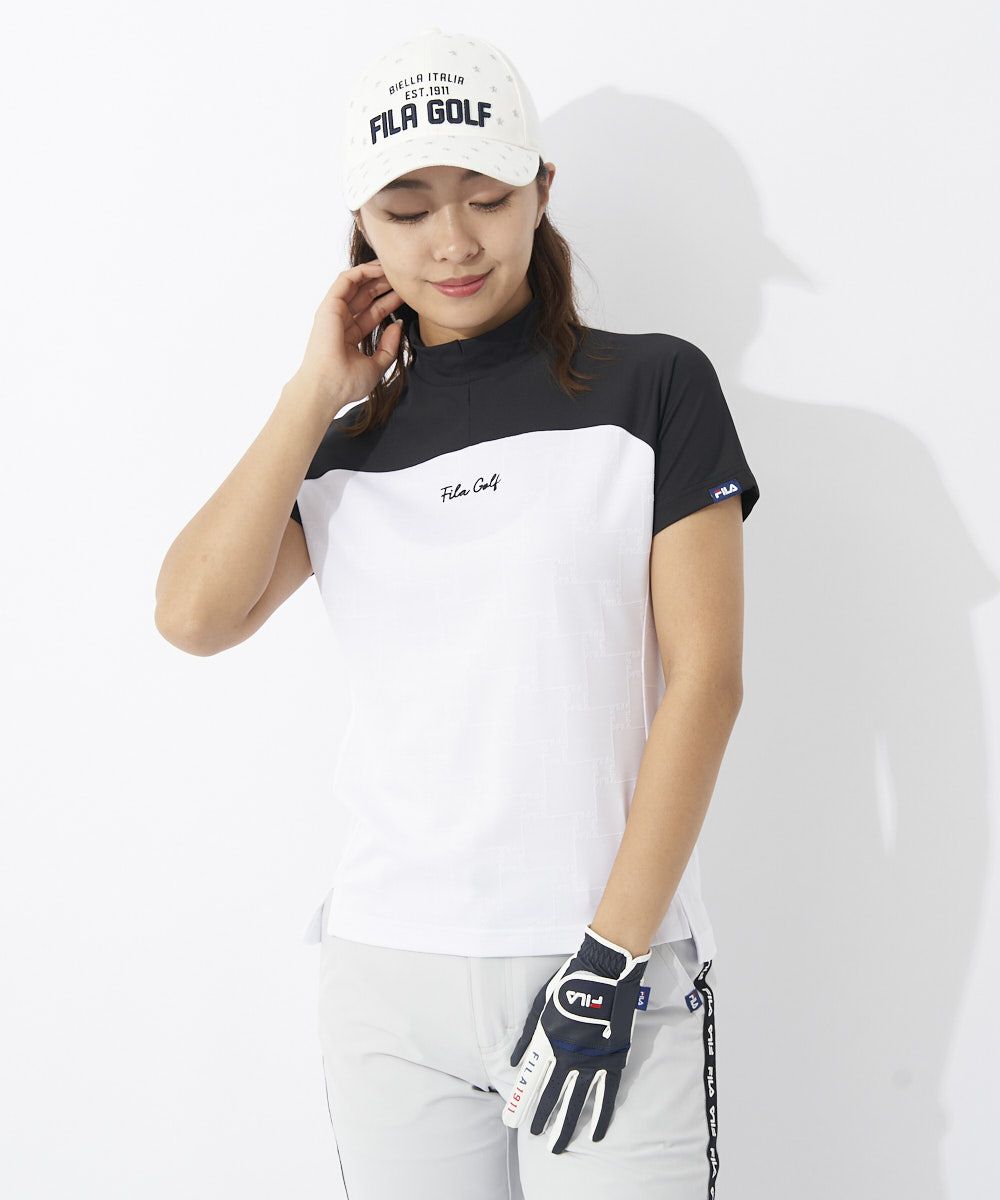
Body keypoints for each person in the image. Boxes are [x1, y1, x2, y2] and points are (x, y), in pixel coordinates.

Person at [155, 24, 759, 1200]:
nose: (453, 241)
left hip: (606, 961)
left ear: (540, 190)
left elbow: (708, 679)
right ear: (362, 231)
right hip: (391, 981)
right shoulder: (341, 452)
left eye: (485, 197)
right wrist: (312, 393)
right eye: (407, 209)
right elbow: (192, 616)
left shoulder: (653, 388)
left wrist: (611, 956)